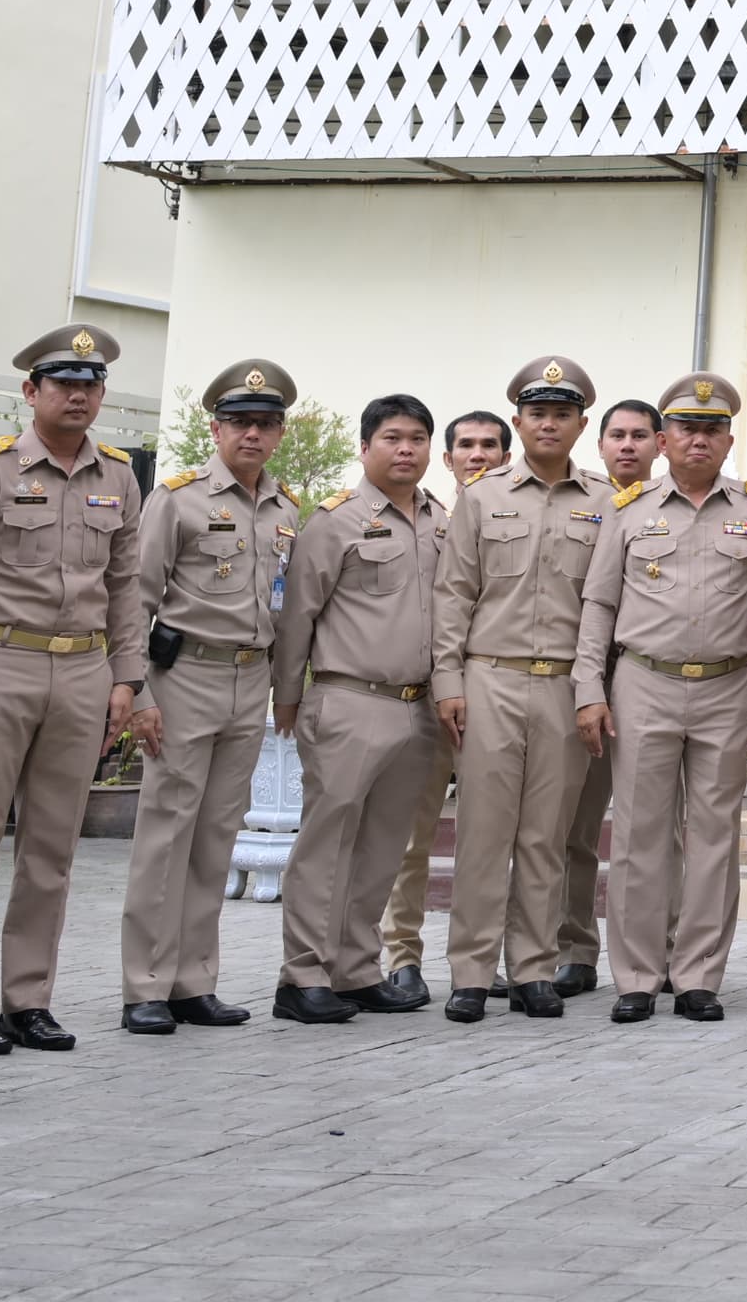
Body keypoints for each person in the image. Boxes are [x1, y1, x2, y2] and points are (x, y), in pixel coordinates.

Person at [0, 324, 147, 1055]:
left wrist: (128, 679)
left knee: (51, 849)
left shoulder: (119, 475)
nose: (79, 395)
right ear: (31, 391)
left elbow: (126, 585)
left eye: (90, 384)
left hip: (83, 672)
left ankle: (27, 1000)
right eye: (63, 383)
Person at [568, 373, 747, 1023]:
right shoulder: (629, 511)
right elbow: (598, 603)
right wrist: (588, 690)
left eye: (712, 430)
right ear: (664, 439)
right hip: (644, 685)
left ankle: (700, 975)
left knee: (714, 837)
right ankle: (636, 975)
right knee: (637, 836)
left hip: (727, 685)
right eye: (687, 429)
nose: (699, 440)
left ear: (729, 439)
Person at [118, 356, 299, 1035]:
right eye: (238, 422)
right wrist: (136, 692)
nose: (251, 435)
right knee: (166, 834)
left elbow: (286, 609)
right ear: (216, 429)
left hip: (250, 680)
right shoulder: (180, 498)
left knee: (216, 838)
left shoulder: (285, 508)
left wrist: (286, 690)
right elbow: (134, 598)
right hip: (184, 675)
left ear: (280, 433)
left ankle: (194, 981)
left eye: (264, 424)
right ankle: (144, 984)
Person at [428, 358, 609, 1023]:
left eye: (563, 414)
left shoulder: (604, 501)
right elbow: (454, 596)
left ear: (580, 424)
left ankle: (533, 966)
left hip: (564, 683)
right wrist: (448, 679)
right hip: (490, 677)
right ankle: (471, 971)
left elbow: (601, 606)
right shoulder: (482, 496)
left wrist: (592, 690)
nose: (550, 424)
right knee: (482, 833)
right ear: (518, 422)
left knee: (545, 836)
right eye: (538, 413)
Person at [269, 396, 448, 1025]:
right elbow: (298, 615)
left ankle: (354, 968)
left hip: (418, 706)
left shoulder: (440, 521)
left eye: (418, 439)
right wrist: (287, 697)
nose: (406, 449)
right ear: (365, 447)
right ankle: (302, 976)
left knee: (382, 847)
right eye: (393, 438)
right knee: (328, 842)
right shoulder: (334, 522)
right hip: (349, 699)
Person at [380, 408, 513, 1004]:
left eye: (489, 445)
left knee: (492, 836)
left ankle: (486, 958)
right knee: (413, 834)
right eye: (467, 446)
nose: (478, 455)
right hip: (426, 697)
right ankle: (401, 954)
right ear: (448, 458)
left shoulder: (520, 512)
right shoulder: (421, 520)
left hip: (495, 695)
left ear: (505, 457)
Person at [558, 397, 662, 997]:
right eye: (617, 436)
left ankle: (663, 946)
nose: (628, 446)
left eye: (640, 436)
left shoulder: (685, 508)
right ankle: (574, 946)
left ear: (661, 444)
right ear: (599, 446)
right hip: (591, 684)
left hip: (656, 684)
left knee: (659, 830)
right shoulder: (580, 504)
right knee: (578, 827)